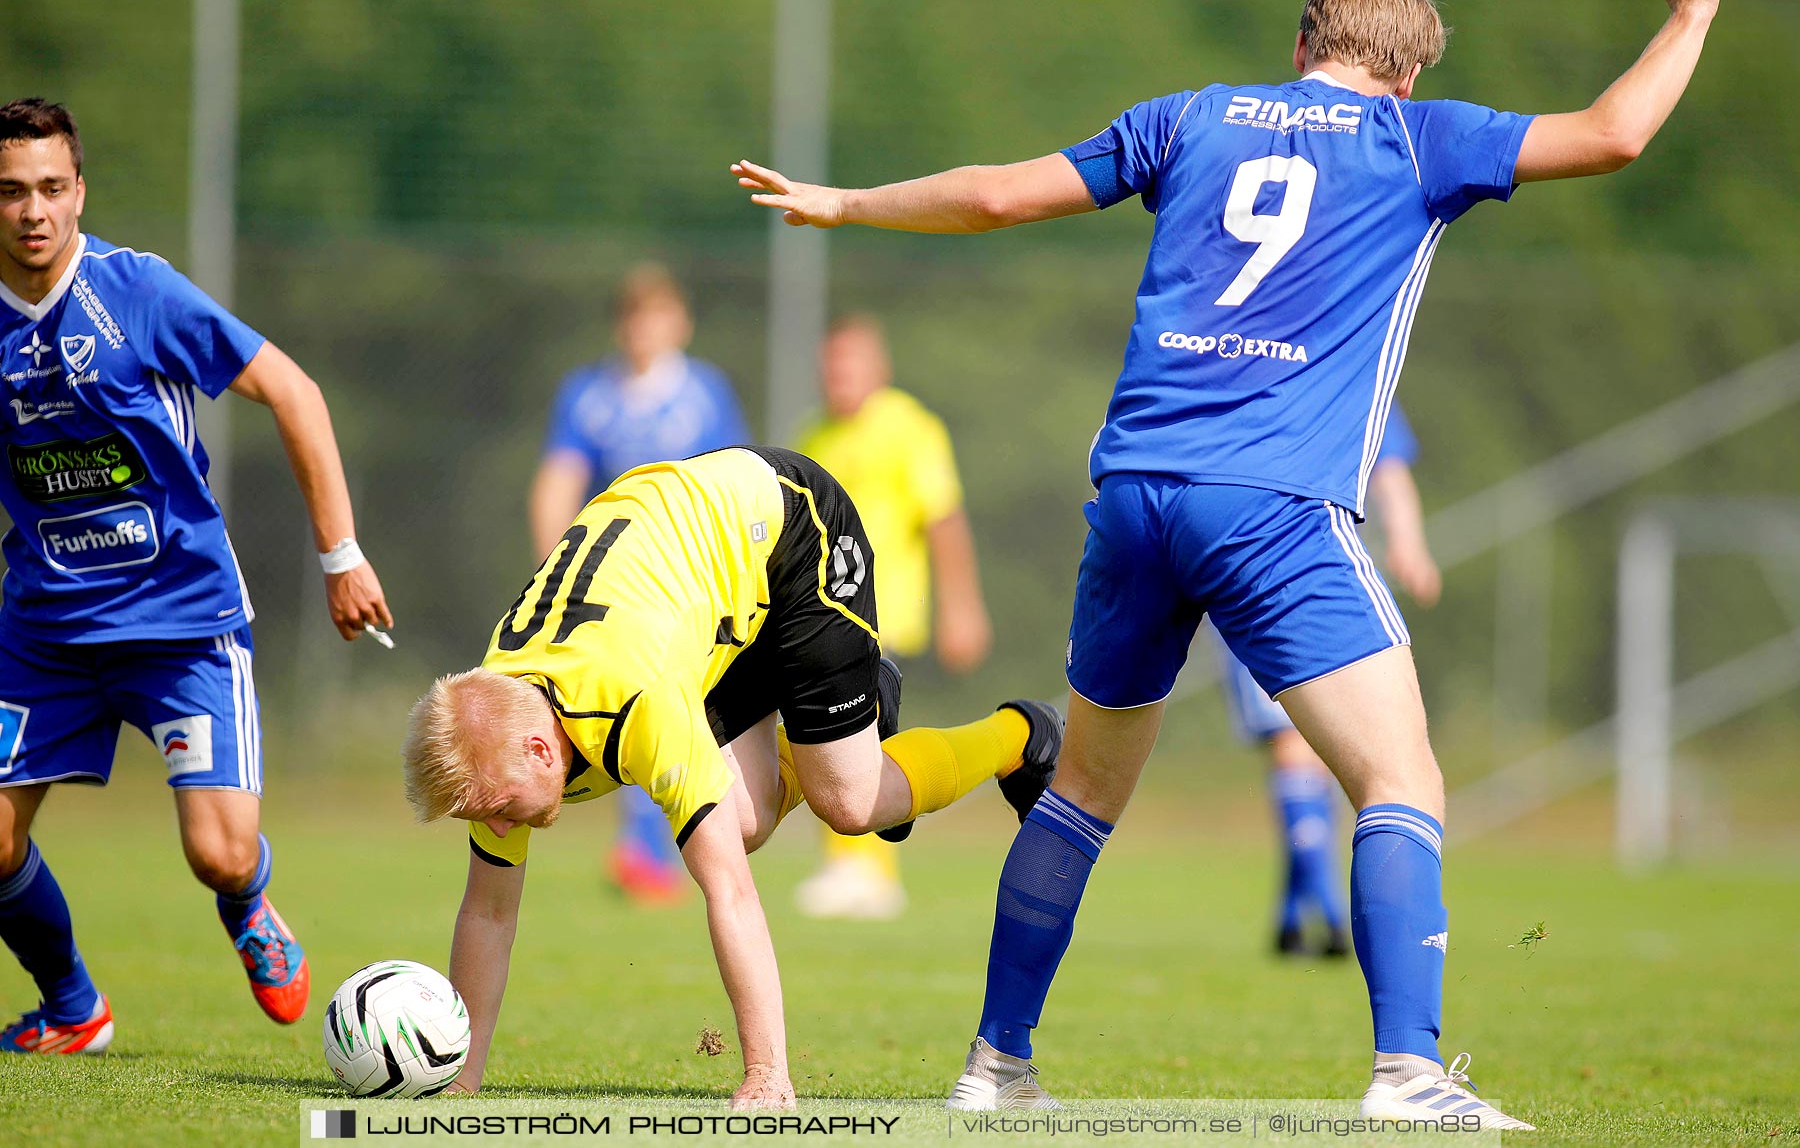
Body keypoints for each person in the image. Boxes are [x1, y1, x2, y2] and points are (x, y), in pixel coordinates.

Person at [731, 0, 1718, 1128]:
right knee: (1402, 780)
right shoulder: (1420, 141)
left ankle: (994, 1068)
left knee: (1083, 793)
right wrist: (1690, 16)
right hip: (1272, 505)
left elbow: (991, 197)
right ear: (1405, 75)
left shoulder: (1189, 116)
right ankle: (1408, 1074)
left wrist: (846, 203)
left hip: (1137, 493)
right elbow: (1618, 134)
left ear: (1304, 46)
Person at [402, 446, 1062, 1106]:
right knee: (741, 820)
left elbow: (731, 892)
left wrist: (767, 1074)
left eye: (496, 808)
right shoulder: (494, 722)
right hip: (707, 579)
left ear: (544, 752)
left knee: (852, 801)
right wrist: (461, 1080)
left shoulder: (638, 704)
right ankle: (850, 715)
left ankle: (1022, 736)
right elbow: (487, 911)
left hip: (794, 533)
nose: (495, 825)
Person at [0, 99, 393, 1053]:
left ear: (81, 192)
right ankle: (72, 1006)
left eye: (53, 188)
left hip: (180, 623)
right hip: (45, 630)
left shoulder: (138, 294)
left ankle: (250, 900)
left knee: (216, 854)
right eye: (11, 192)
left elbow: (293, 390)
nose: (34, 211)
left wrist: (340, 554)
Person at [528, 264, 750, 903]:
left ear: (680, 322)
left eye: (657, 314)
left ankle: (665, 843)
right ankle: (642, 851)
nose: (644, 329)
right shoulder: (588, 394)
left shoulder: (705, 391)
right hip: (614, 579)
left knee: (676, 704)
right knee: (631, 699)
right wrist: (552, 567)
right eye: (633, 315)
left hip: (690, 572)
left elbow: (733, 479)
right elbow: (558, 480)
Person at [1215, 404, 1439, 958]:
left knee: (1316, 753)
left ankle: (1307, 911)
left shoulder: (1343, 358)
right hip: (1272, 577)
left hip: (1294, 575)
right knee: (1307, 752)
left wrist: (1408, 542)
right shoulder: (1271, 356)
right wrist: (1409, 543)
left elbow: (1387, 465)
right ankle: (1320, 911)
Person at [793, 314, 992, 920]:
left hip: (885, 613)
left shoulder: (909, 428)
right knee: (830, 734)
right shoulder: (815, 437)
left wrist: (963, 607)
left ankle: (870, 869)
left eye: (852, 362)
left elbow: (944, 520)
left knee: (859, 734)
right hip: (820, 619)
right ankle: (855, 866)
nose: (840, 376)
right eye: (832, 364)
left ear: (878, 367)